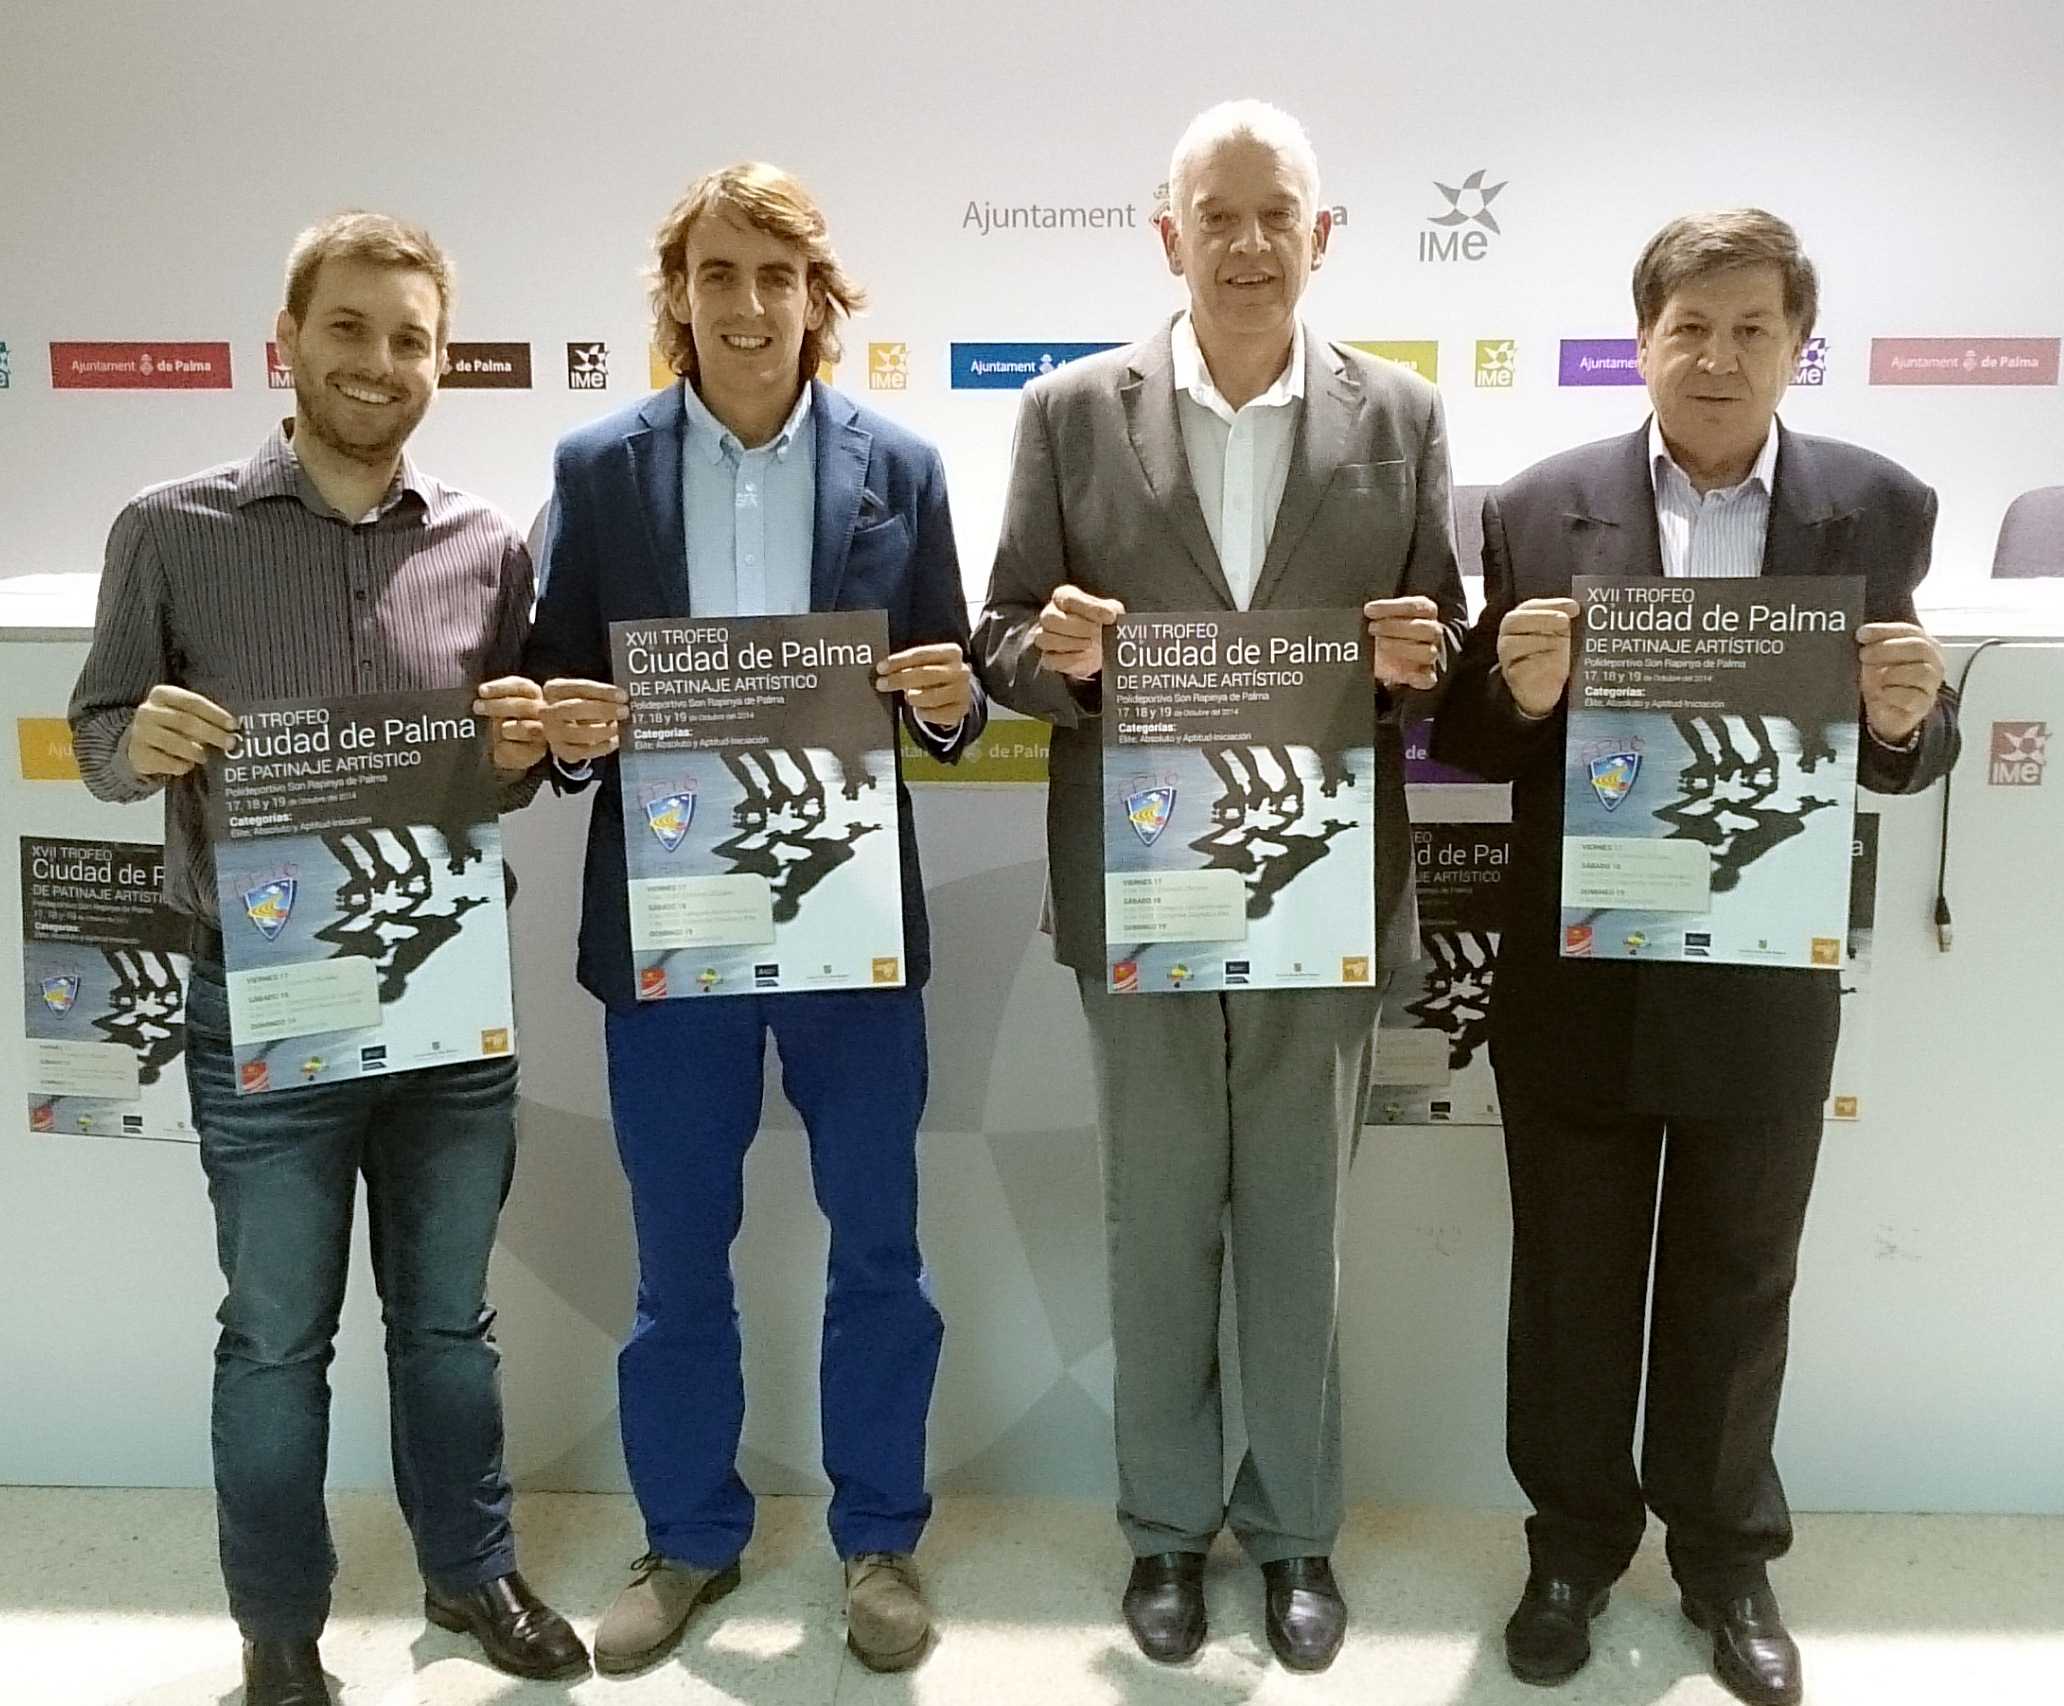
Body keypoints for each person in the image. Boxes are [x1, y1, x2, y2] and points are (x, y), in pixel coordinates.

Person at [1431, 209, 1958, 1706]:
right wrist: (1517, 695)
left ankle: (1727, 1561)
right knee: (1572, 1279)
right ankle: (1571, 1551)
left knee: (1739, 1277)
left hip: (1762, 966)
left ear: (1798, 346)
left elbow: (1907, 746)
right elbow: (1470, 738)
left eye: (1751, 329)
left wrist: (1909, 719)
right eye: (1690, 328)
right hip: (1580, 967)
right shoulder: (1538, 505)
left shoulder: (1879, 507)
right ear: (1642, 339)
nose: (1718, 357)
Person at [973, 100, 1465, 1673]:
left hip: (1319, 888)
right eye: (1218, 214)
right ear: (1167, 232)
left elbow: (1441, 644)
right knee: (1159, 1223)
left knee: (1302, 1228)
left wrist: (1424, 659)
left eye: (1277, 215)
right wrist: (1057, 660)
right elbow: (998, 641)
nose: (1249, 243)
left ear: (1321, 235)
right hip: (1146, 890)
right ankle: (1168, 1530)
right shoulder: (1066, 413)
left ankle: (1298, 1528)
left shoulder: (1401, 415)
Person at [67, 212, 584, 1706]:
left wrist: (524, 753)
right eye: (349, 329)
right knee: (277, 1338)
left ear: (441, 362)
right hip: (263, 1003)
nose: (380, 362)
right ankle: (280, 1628)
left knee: (449, 1325)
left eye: (411, 338)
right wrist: (136, 741)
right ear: (285, 343)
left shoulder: (487, 545)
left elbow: (496, 777)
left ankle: (469, 1569)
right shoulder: (169, 530)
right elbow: (97, 735)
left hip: (442, 1002)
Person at [521, 162, 984, 1676]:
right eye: (718, 274)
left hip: (850, 923)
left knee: (881, 1251)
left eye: (776, 276)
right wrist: (571, 728)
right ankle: (689, 1537)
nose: (747, 304)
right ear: (680, 294)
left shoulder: (900, 464)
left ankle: (880, 1539)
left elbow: (949, 692)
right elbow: (556, 684)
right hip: (670, 920)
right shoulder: (597, 467)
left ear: (816, 298)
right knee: (677, 1260)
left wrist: (948, 698)